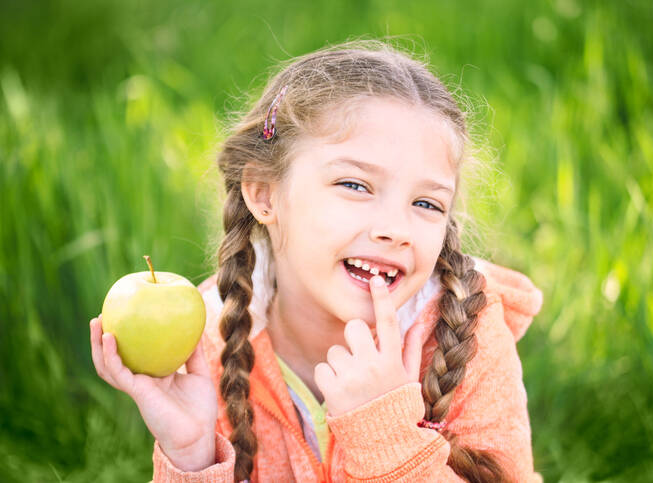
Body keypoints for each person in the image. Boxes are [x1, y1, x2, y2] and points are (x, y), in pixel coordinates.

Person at [89, 40, 544, 482]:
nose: (396, 229)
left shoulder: (469, 334)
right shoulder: (213, 342)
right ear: (264, 193)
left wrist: (387, 433)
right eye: (355, 185)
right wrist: (191, 456)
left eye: (426, 204)